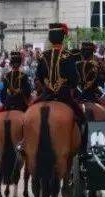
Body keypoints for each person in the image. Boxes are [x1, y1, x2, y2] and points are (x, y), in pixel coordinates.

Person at [34, 22, 86, 150]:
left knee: (28, 114)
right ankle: (83, 150)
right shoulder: (69, 56)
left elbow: (39, 77)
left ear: (50, 38)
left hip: (46, 96)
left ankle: (24, 144)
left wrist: (47, 86)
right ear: (63, 37)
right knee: (82, 118)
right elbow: (74, 79)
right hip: (65, 96)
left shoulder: (43, 56)